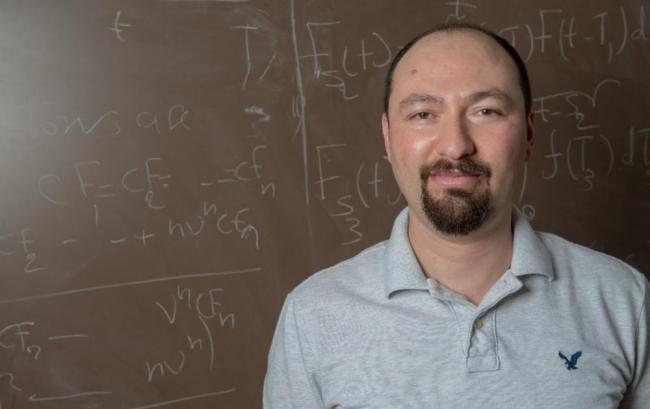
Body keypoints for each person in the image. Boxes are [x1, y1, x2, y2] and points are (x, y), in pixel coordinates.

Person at [263, 23, 648, 408]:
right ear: (388, 138)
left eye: (486, 111)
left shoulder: (623, 300)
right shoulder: (313, 315)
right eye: (423, 113)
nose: (455, 144)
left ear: (528, 135)